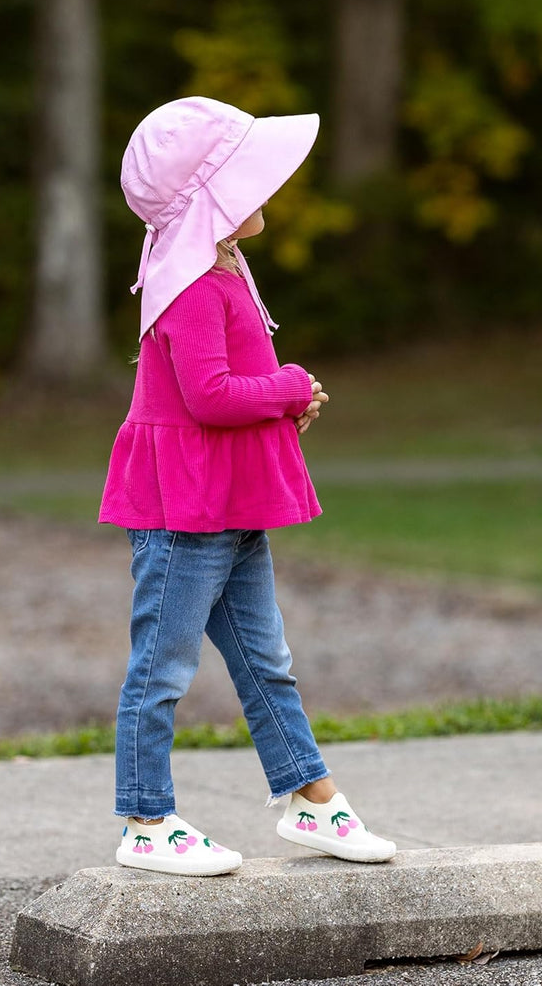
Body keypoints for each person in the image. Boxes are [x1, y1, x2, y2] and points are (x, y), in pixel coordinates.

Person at [99, 96, 396, 876]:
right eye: (247, 178)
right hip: (184, 512)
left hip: (226, 502)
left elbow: (227, 390)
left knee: (267, 660)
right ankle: (143, 820)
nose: (265, 191)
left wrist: (283, 401)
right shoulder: (194, 282)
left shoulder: (223, 271)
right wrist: (290, 384)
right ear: (211, 200)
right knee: (161, 669)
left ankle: (310, 797)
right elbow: (208, 396)